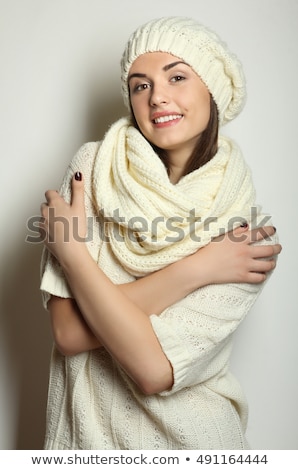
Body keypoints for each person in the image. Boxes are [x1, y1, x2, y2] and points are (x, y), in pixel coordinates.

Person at [39, 16, 281, 450]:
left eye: (177, 77)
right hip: (89, 445)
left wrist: (77, 259)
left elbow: (153, 369)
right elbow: (68, 334)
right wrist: (199, 268)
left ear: (212, 91)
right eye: (140, 85)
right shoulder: (91, 170)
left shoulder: (240, 230)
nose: (157, 97)